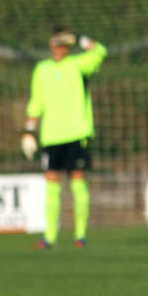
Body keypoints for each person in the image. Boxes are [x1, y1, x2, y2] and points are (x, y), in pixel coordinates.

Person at [21, 28, 108, 249]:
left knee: (78, 183)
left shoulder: (79, 64)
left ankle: (81, 235)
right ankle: (49, 237)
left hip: (77, 133)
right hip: (51, 136)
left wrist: (79, 38)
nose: (59, 47)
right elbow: (36, 102)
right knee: (52, 185)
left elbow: (101, 52)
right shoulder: (42, 69)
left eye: (63, 43)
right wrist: (29, 131)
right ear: (50, 44)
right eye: (56, 42)